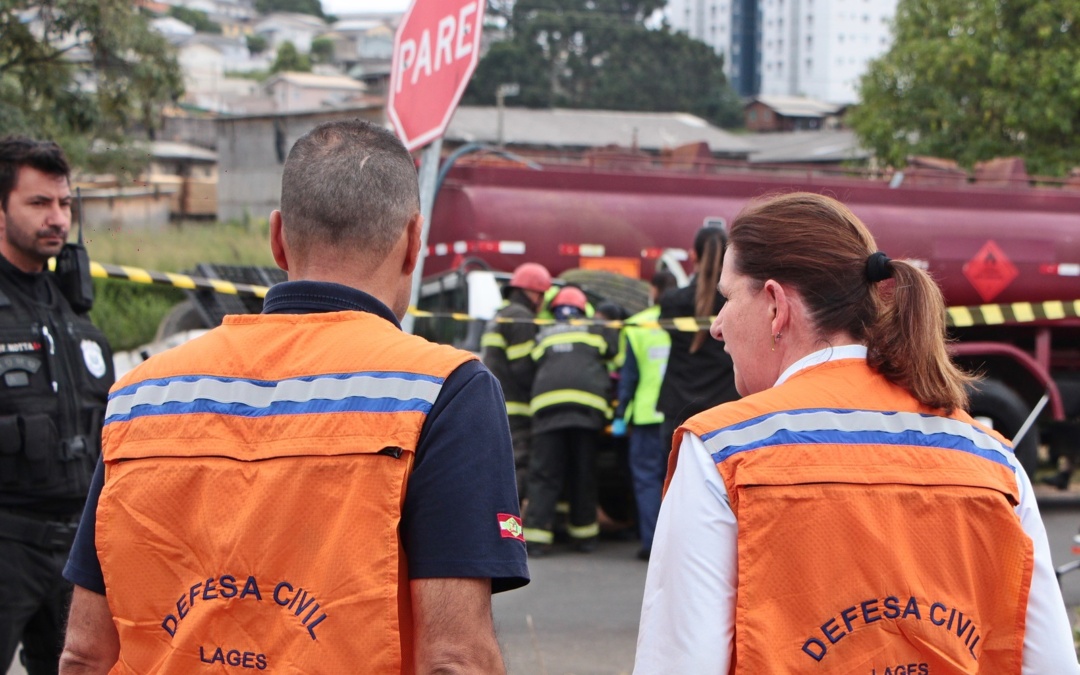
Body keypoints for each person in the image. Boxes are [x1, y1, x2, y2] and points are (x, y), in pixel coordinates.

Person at [59, 120, 529, 674]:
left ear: (277, 238)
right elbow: (455, 661)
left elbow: (84, 655)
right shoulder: (445, 392)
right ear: (412, 241)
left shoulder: (142, 396)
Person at [634, 192, 1080, 674]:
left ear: (775, 305)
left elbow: (680, 664)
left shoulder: (721, 453)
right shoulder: (995, 461)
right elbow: (1051, 664)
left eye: (726, 297)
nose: (718, 326)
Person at [0, 137, 114, 675]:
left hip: (75, 546)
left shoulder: (71, 307)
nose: (57, 218)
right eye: (38, 203)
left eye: (64, 204)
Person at [523, 286, 614, 556]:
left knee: (544, 474)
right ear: (583, 308)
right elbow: (614, 357)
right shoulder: (596, 329)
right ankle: (584, 538)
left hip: (548, 410)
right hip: (587, 411)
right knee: (583, 474)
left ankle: (537, 540)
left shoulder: (544, 333)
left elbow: (531, 365)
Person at [613, 271, 677, 561]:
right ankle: (680, 546)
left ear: (653, 289)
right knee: (679, 481)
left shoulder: (638, 325)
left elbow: (629, 378)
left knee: (648, 480)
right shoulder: (692, 320)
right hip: (681, 413)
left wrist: (619, 414)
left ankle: (653, 544)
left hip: (646, 414)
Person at [656, 226, 738, 447]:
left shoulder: (672, 301)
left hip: (679, 409)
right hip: (724, 409)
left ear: (693, 255)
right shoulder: (737, 304)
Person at [482, 262, 552, 502]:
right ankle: (511, 522)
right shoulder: (521, 317)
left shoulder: (500, 316)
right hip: (517, 409)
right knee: (519, 465)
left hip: (497, 403)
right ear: (533, 293)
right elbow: (523, 368)